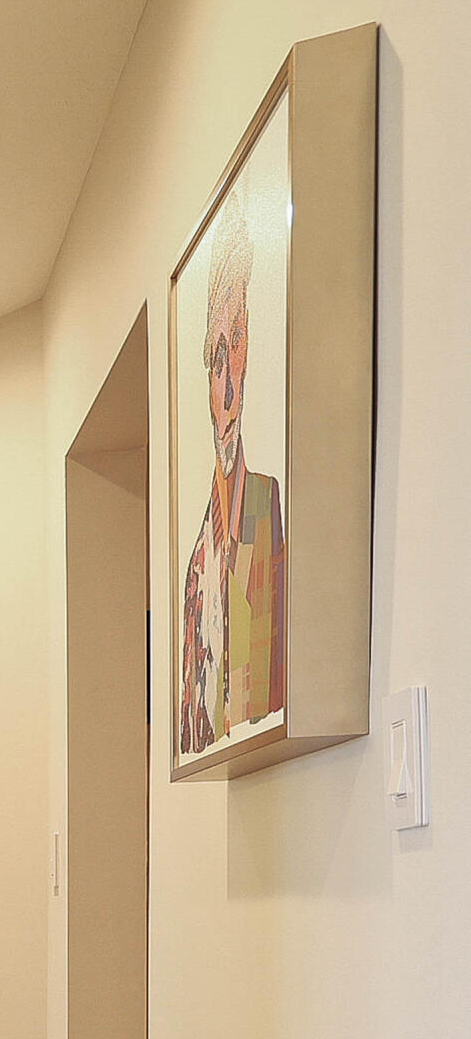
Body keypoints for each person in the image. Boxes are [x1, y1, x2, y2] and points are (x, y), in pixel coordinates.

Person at [177, 189, 285, 756]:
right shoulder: (196, 568)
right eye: (215, 357)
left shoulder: (267, 507)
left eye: (236, 342)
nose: (229, 386)